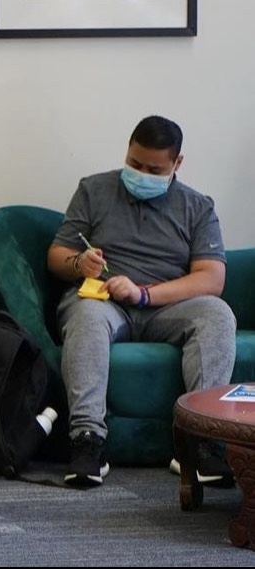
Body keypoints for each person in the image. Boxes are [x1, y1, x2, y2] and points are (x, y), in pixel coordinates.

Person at [46, 115, 236, 488]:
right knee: (85, 314)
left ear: (177, 164)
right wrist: (78, 263)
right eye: (134, 164)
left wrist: (144, 293)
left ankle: (199, 444)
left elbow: (211, 278)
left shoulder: (197, 207)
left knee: (217, 314)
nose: (140, 174)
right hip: (103, 301)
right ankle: (87, 440)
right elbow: (57, 255)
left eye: (153, 169)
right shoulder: (94, 190)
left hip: (167, 305)